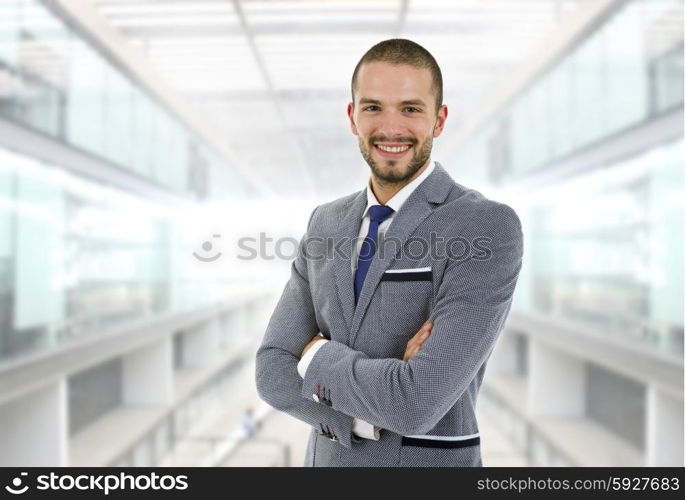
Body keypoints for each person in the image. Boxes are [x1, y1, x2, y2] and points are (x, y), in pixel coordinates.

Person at [255, 38, 523, 467]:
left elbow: (419, 401)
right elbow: (271, 371)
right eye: (374, 107)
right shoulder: (325, 223)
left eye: (411, 109)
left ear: (439, 120)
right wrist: (362, 419)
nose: (391, 128)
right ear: (352, 116)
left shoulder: (484, 226)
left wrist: (314, 356)